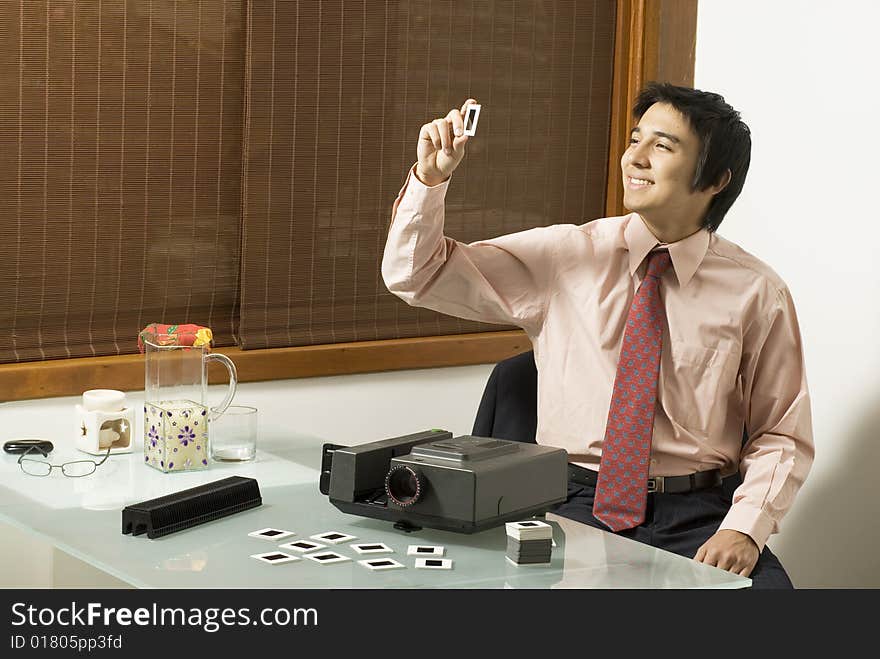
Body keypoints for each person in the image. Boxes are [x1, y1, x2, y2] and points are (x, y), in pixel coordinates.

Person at [381, 83, 813, 589]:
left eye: (663, 146)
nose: (636, 158)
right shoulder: (566, 256)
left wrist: (744, 529)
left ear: (716, 179)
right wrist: (429, 181)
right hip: (568, 502)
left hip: (696, 514)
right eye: (635, 139)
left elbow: (781, 432)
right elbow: (417, 275)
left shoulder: (758, 292)